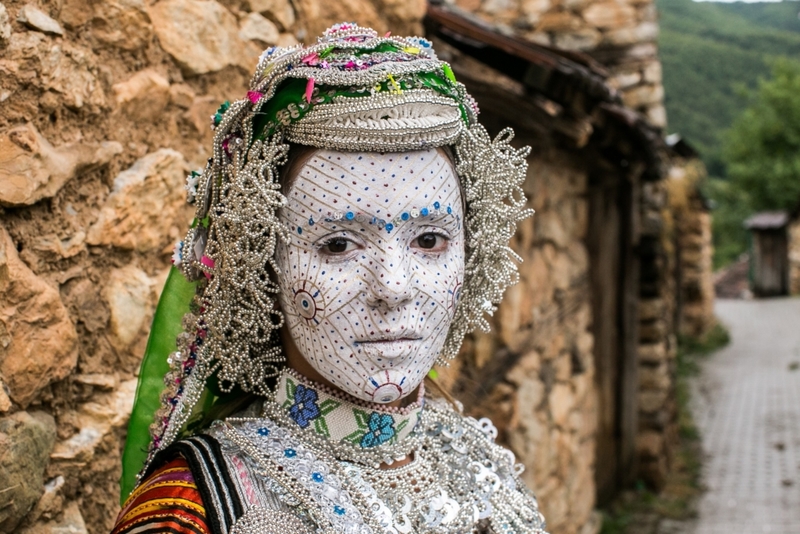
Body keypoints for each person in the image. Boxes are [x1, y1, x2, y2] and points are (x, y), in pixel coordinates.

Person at [111, 23, 547, 534]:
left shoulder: (481, 465)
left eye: (429, 240)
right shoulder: (196, 507)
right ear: (260, 264)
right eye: (337, 244)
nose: (393, 287)